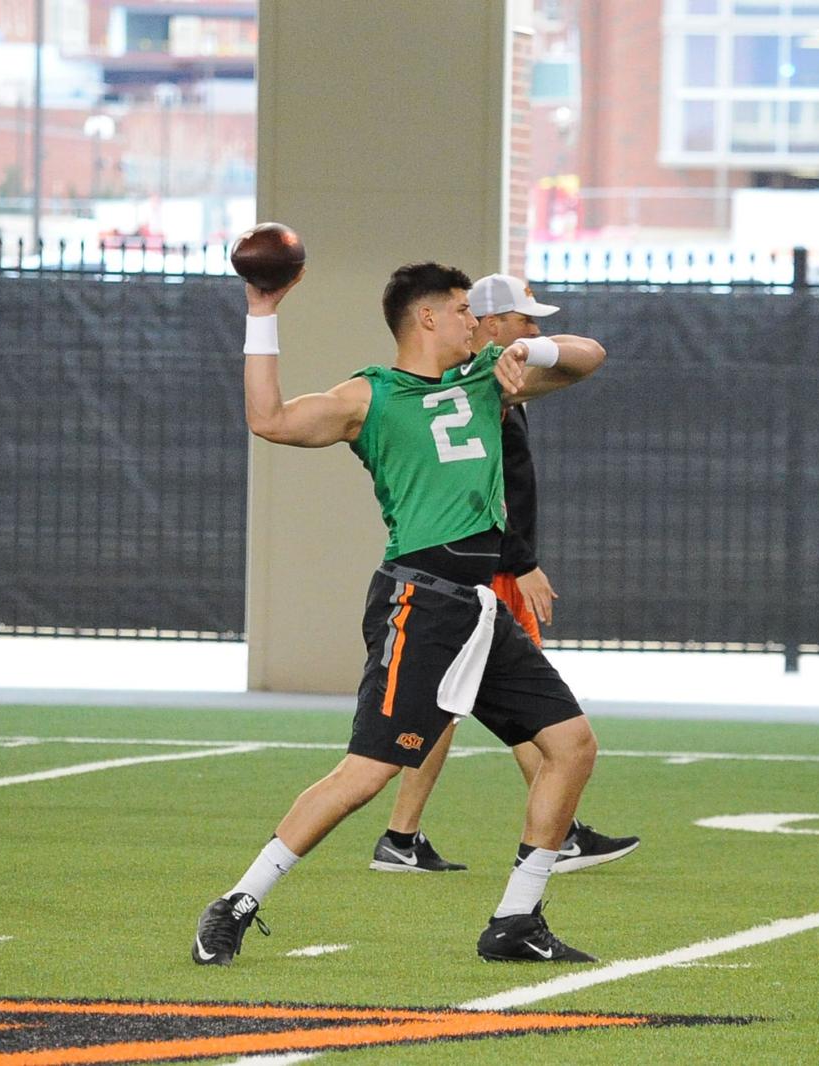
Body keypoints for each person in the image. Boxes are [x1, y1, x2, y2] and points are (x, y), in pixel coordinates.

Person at [191, 262, 607, 968]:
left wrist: (528, 350)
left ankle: (515, 921)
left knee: (571, 745)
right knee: (366, 773)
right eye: (460, 311)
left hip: (479, 606)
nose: (475, 322)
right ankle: (237, 901)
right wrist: (263, 310)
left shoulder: (486, 379)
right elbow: (270, 419)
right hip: (420, 600)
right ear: (425, 319)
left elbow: (589, 355)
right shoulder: (371, 395)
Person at [370, 274, 640, 875]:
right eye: (525, 322)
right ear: (488, 324)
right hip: (478, 575)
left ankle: (404, 835)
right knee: (527, 710)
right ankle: (552, 833)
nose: (535, 330)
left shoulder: (500, 379)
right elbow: (489, 494)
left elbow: (585, 353)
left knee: (455, 701)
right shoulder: (471, 390)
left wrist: (531, 352)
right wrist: (521, 564)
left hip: (485, 570)